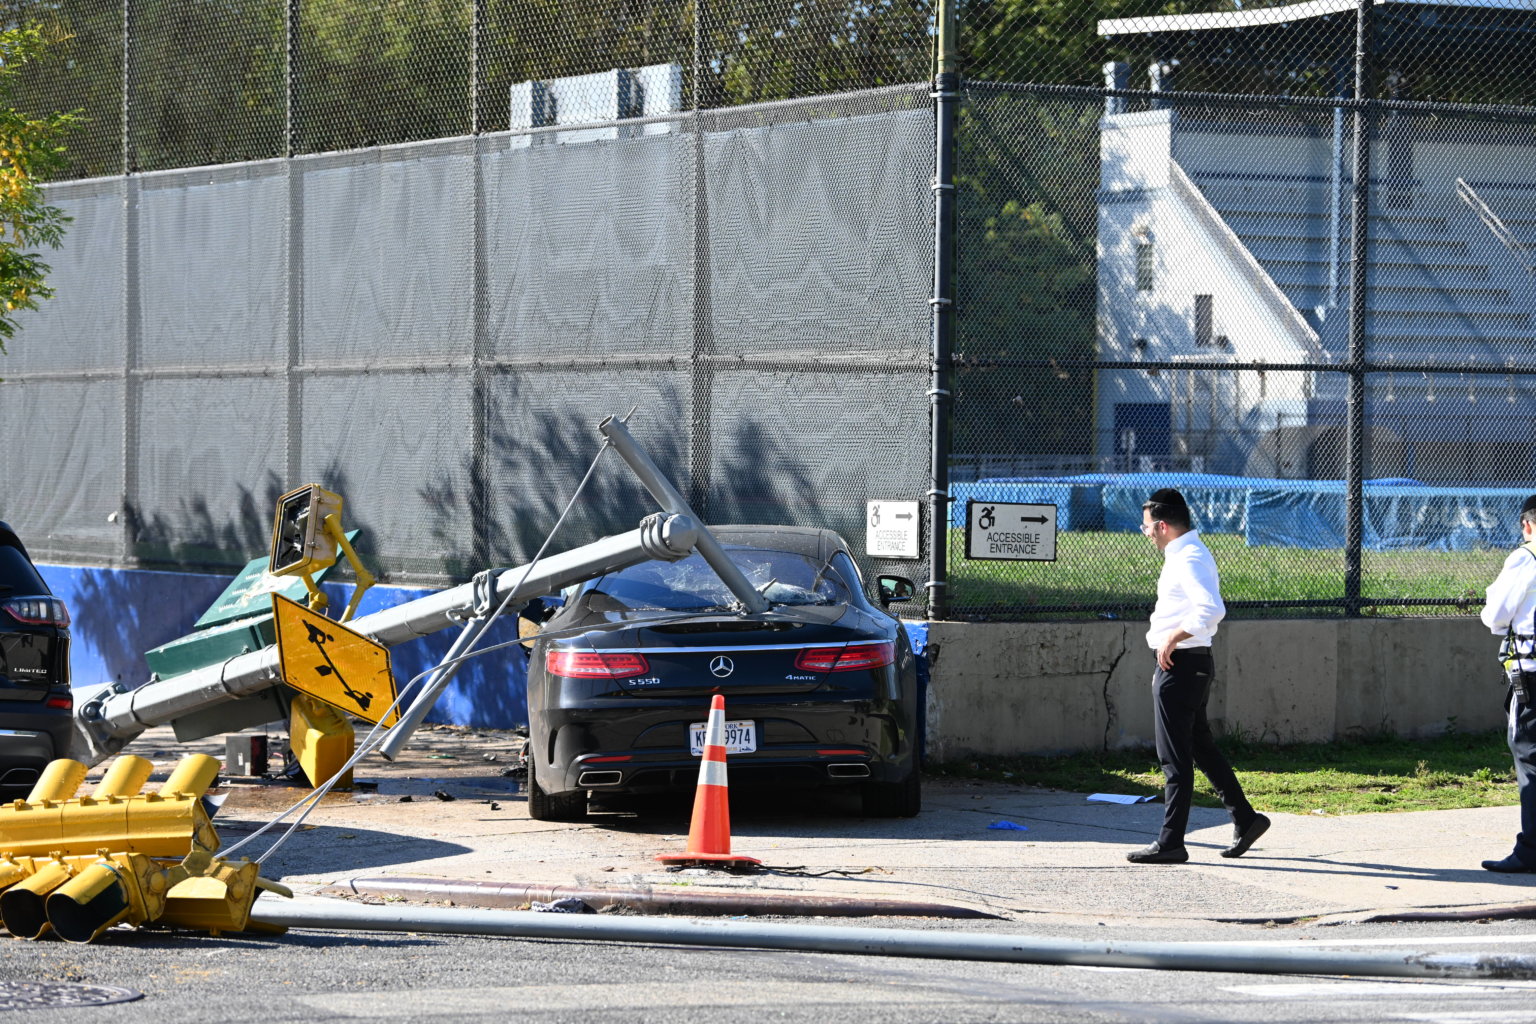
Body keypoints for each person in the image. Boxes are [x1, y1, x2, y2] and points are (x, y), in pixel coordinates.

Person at [1128, 488, 1270, 864]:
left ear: (1161, 526)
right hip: (1192, 664)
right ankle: (1246, 818)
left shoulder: (1187, 557)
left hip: (1180, 665)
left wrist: (1173, 637)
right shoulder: (1189, 552)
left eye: (1146, 527)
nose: (1145, 534)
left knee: (1174, 759)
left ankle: (1172, 841)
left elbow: (1211, 609)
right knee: (1201, 748)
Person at [1477, 494, 1536, 874]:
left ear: (1527, 525)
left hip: (1531, 673)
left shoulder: (1525, 558)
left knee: (1530, 758)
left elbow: (1494, 616)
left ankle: (1531, 851)